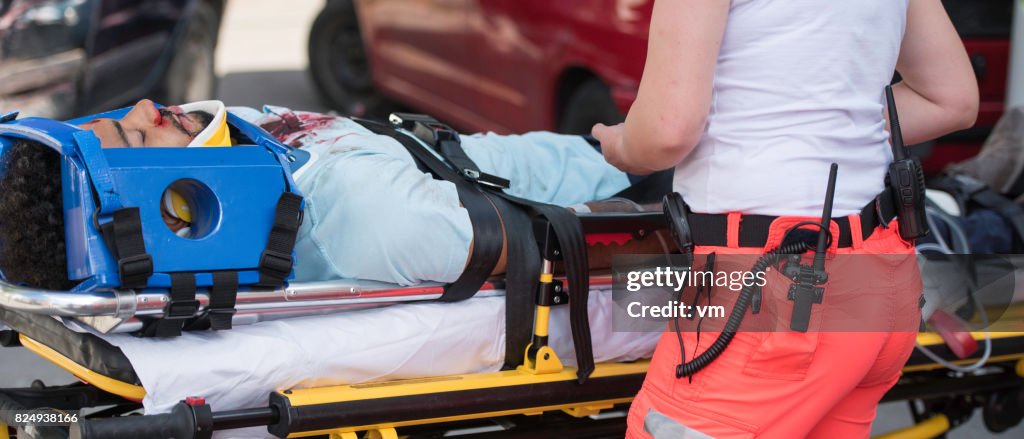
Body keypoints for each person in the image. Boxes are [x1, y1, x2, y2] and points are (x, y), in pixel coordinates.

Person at [590, 0, 978, 437]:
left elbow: (665, 131)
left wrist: (621, 145)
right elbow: (951, 100)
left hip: (772, 286)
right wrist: (827, 123)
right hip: (880, 271)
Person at [0, 98, 666, 290]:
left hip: (611, 153)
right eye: (136, 134)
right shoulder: (360, 216)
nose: (148, 107)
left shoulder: (227, 141)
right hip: (656, 196)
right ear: (168, 213)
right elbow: (579, 251)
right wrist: (706, 262)